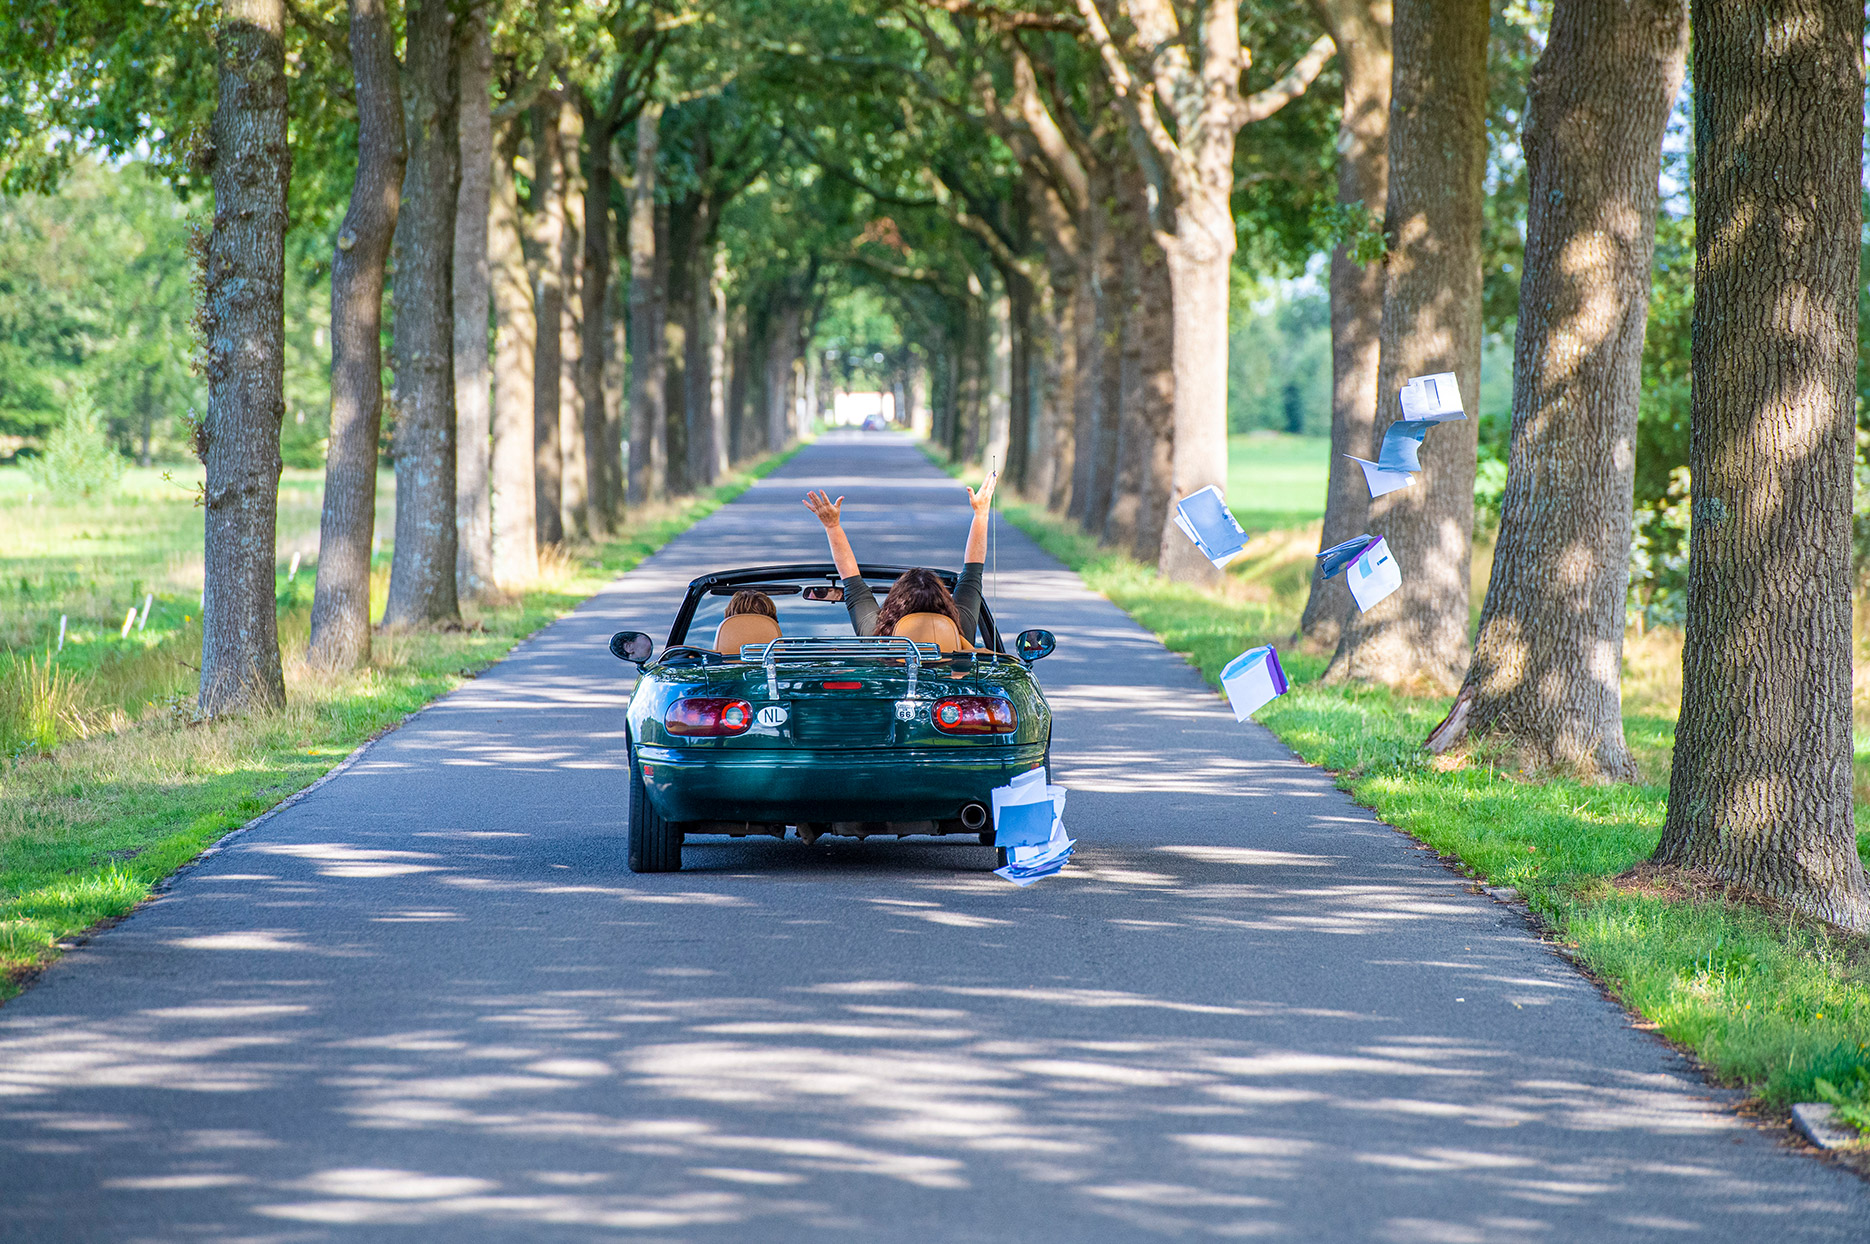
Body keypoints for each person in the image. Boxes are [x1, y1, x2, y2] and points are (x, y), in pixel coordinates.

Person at [802, 472, 997, 643]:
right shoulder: (962, 628)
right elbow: (973, 571)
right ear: (946, 602)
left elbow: (850, 576)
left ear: (895, 603)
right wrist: (981, 514)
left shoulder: (874, 634)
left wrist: (832, 526)